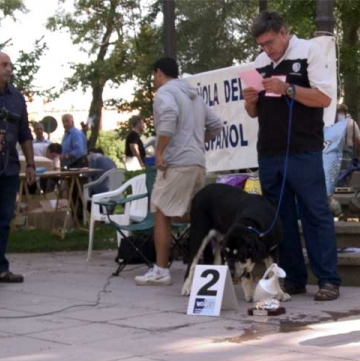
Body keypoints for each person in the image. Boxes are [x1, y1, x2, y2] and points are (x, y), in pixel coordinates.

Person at [242, 12, 341, 301]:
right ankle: (293, 279)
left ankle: (328, 280)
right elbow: (254, 112)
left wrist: (288, 89)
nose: (267, 49)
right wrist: (250, 102)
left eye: (270, 42)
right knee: (280, 218)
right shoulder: (259, 64)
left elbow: (324, 98)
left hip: (303, 149)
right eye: (262, 44)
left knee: (315, 213)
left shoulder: (309, 51)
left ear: (284, 32)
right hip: (269, 153)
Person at [134, 57, 222, 286]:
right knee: (193, 212)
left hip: (178, 162)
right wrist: (195, 142)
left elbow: (170, 116)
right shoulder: (195, 96)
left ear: (159, 72)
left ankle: (161, 270)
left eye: (154, 75)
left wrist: (160, 152)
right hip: (197, 162)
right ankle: (219, 227)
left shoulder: (165, 93)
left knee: (161, 210)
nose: (154, 80)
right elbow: (216, 126)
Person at [0, 51, 36, 289]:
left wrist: (31, 163)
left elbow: (24, 133)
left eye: (10, 65)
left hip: (9, 167)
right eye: (4, 65)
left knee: (3, 220)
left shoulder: (17, 98)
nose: (9, 69)